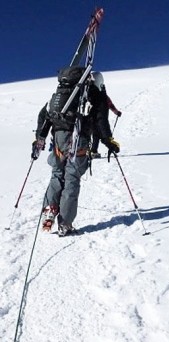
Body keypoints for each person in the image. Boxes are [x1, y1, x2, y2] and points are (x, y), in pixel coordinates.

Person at [31, 68, 120, 236]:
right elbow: (101, 119)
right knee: (72, 177)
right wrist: (108, 141)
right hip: (78, 138)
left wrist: (39, 138)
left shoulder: (62, 93)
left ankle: (50, 208)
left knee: (57, 173)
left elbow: (44, 115)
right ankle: (65, 223)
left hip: (58, 138)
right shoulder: (93, 93)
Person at [89, 71, 122, 158]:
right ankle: (109, 147)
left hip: (91, 118)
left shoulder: (89, 92)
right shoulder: (101, 93)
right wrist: (116, 111)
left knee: (95, 134)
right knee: (99, 133)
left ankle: (93, 151)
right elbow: (109, 103)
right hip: (99, 117)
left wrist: (116, 111)